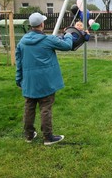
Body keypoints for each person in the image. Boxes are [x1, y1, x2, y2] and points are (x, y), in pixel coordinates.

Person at [15, 12, 73, 145]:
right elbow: (67, 46)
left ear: (31, 25)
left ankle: (29, 135)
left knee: (29, 107)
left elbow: (19, 63)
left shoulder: (22, 42)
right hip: (46, 82)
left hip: (29, 82)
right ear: (42, 24)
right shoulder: (48, 40)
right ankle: (48, 137)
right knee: (45, 107)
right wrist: (68, 34)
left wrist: (19, 80)